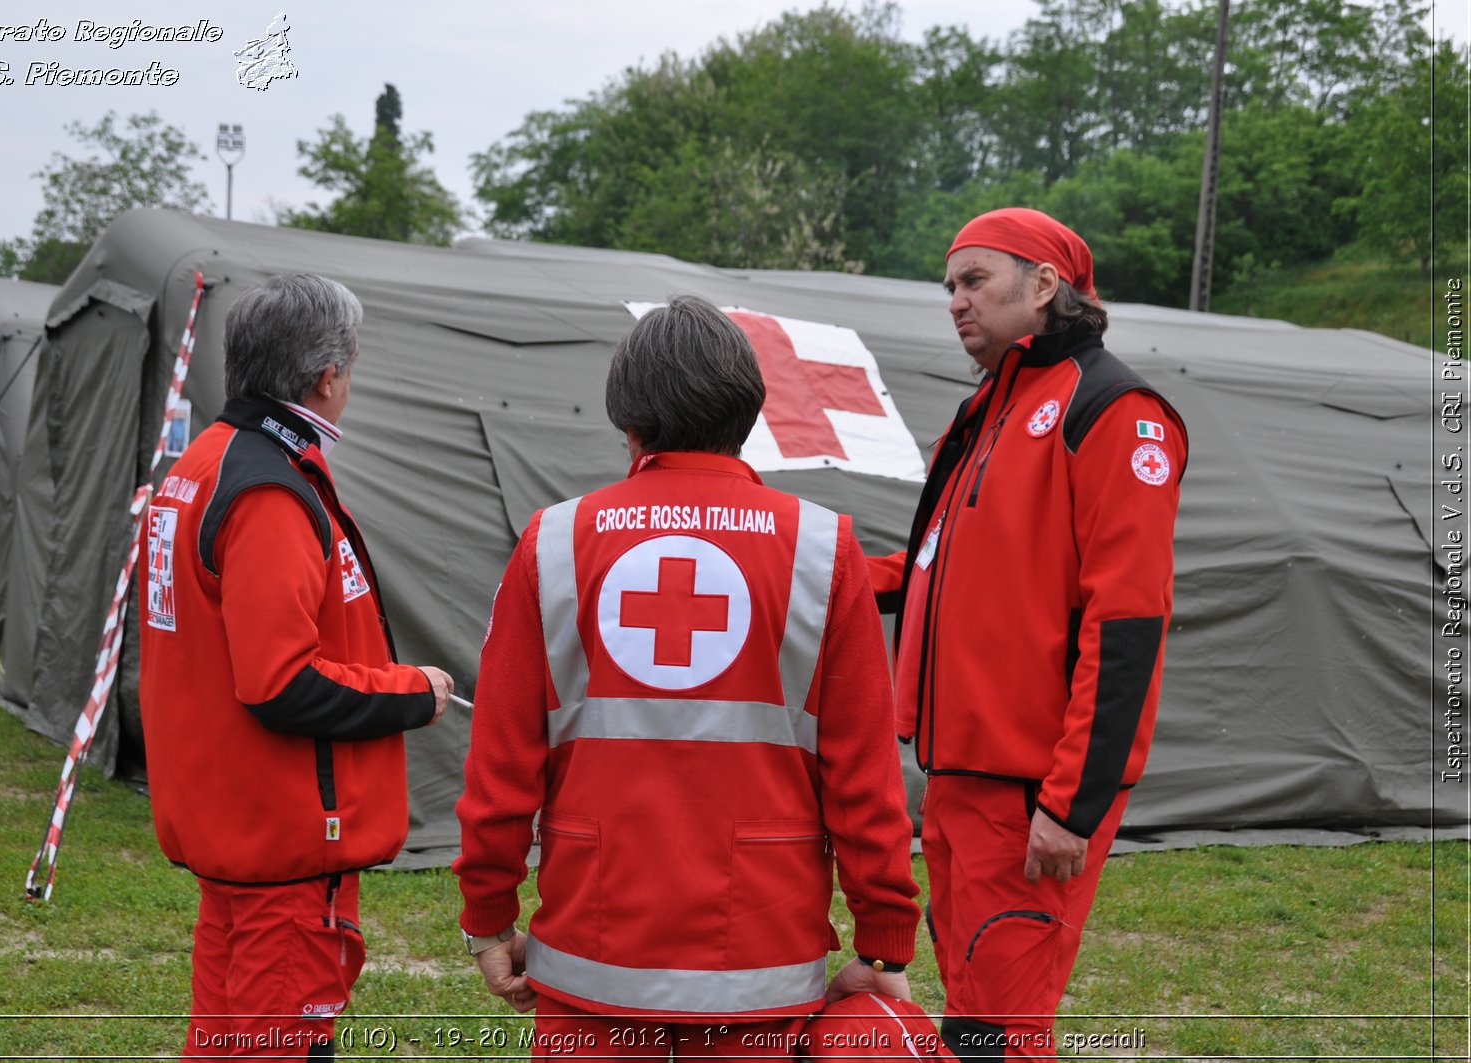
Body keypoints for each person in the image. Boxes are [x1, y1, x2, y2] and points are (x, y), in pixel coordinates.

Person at [454, 294, 921, 1059]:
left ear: (627, 419)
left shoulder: (556, 542)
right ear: (749, 414)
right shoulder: (822, 549)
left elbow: (501, 759)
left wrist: (490, 914)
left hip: (591, 957)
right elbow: (864, 773)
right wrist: (884, 940)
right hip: (761, 963)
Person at [866, 208, 1188, 1060]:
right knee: (973, 1001)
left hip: (1033, 791)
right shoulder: (981, 412)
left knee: (999, 1029)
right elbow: (926, 565)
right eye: (950, 286)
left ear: (1044, 284)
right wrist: (798, 565)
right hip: (959, 776)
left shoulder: (1115, 409)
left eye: (975, 281)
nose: (955, 302)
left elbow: (1129, 620)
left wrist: (1070, 806)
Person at [139, 273, 453, 1061]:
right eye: (351, 365)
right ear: (326, 376)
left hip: (238, 834)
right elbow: (279, 680)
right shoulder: (266, 489)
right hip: (280, 847)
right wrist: (411, 690)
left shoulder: (205, 463)